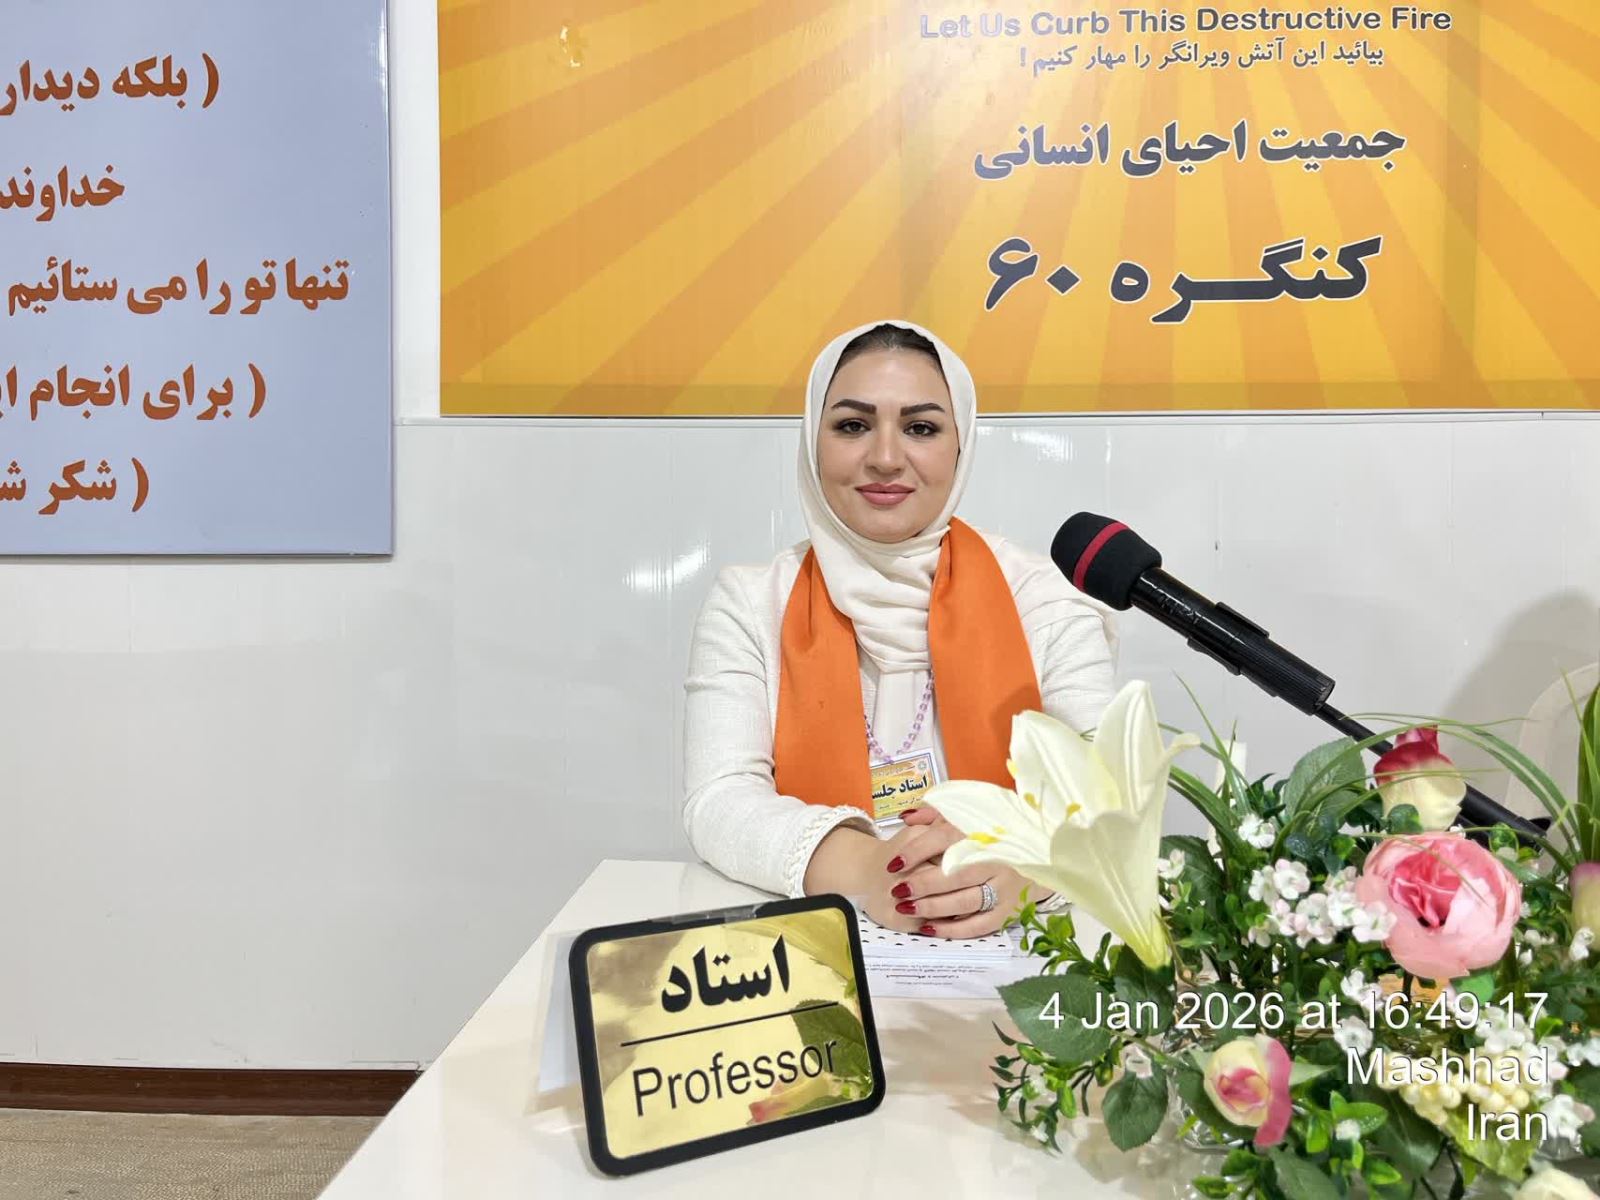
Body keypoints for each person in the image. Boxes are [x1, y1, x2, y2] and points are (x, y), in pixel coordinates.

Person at [682, 320, 1115, 937]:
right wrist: (865, 869)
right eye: (852, 426)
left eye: (921, 428)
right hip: (820, 948)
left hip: (1025, 948)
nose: (885, 458)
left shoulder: (1041, 598)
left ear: (961, 446)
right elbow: (719, 799)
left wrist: (1027, 861)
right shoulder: (752, 603)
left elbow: (1107, 790)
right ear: (812, 441)